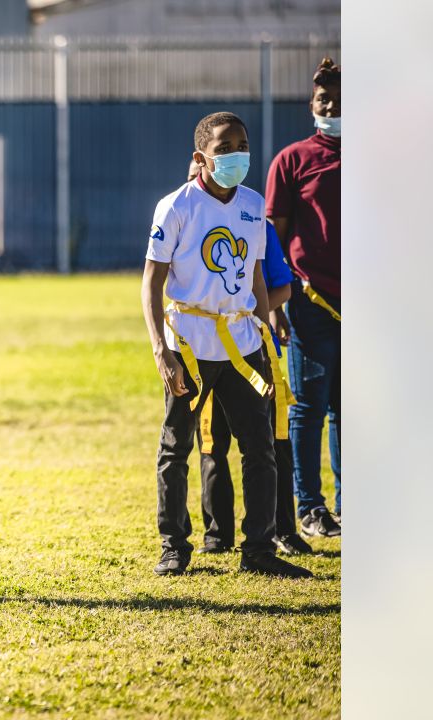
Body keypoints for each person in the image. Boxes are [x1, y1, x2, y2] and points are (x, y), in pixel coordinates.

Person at [140, 111, 312, 578]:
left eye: (242, 144)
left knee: (260, 447)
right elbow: (151, 285)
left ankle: (259, 549)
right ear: (201, 157)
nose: (237, 155)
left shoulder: (254, 204)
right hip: (192, 347)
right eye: (225, 148)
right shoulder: (175, 207)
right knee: (176, 450)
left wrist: (265, 329)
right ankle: (174, 546)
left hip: (242, 345)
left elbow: (256, 276)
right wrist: (162, 349)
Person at [188, 161, 313, 557]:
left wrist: (249, 313)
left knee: (269, 442)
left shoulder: (253, 218)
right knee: (211, 444)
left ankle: (280, 531)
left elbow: (278, 286)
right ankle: (216, 535)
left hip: (251, 351)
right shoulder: (183, 215)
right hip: (204, 352)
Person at [267, 58, 342, 537]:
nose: (333, 106)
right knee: (309, 405)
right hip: (311, 302)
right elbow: (274, 238)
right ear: (312, 104)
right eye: (324, 99)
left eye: (340, 98)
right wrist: (276, 305)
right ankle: (310, 507)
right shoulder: (292, 159)